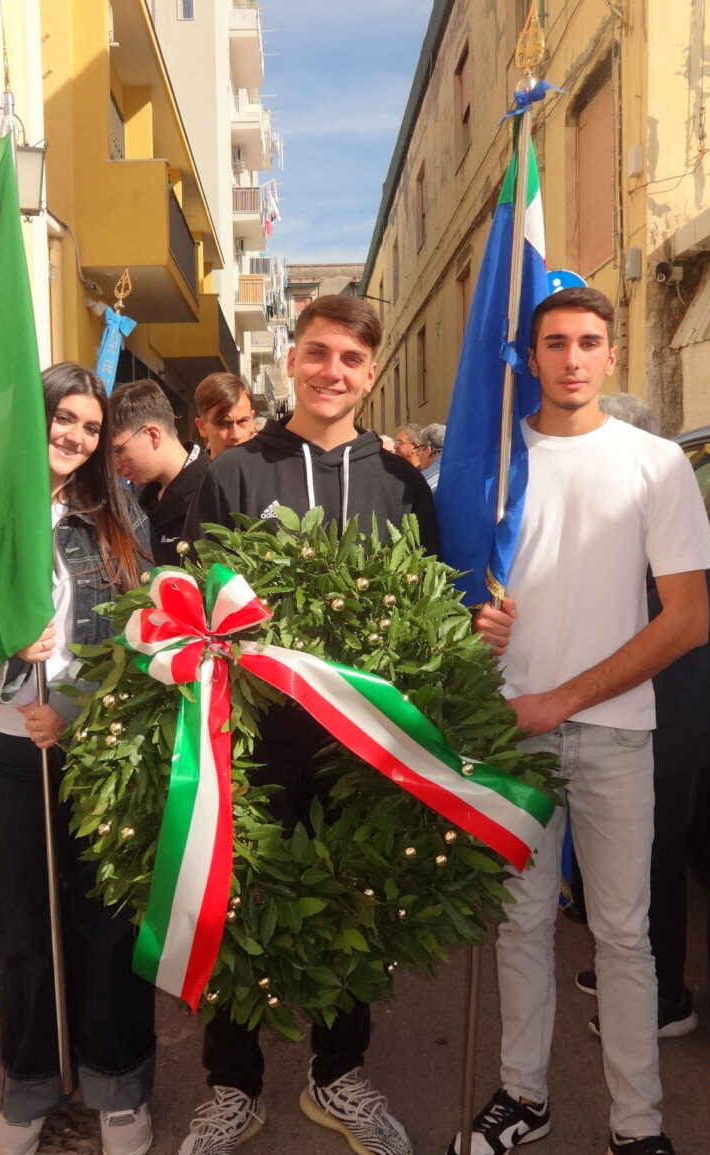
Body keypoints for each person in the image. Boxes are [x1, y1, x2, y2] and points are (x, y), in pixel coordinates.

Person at [452, 287, 710, 1155]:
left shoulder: (656, 463)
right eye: (556, 341)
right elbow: (447, 596)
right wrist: (471, 622)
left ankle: (637, 1126)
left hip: (611, 732)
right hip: (508, 735)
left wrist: (560, 700)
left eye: (589, 341)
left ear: (611, 353)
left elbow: (687, 621)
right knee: (521, 925)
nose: (572, 358)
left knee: (624, 936)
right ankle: (522, 1096)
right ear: (530, 356)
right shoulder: (493, 464)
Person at [177, 295, 437, 1155]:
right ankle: (233, 1085)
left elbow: (428, 611)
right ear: (290, 360)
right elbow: (194, 609)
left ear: (372, 373)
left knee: (354, 901)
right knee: (236, 901)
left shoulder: (402, 484)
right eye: (318, 353)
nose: (333, 372)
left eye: (351, 359)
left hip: (361, 745)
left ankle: (339, 1073)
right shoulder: (233, 473)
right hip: (253, 737)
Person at [0, 362, 156, 1155]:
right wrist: (5, 660)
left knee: (105, 928)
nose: (74, 435)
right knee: (24, 935)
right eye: (62, 417)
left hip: (94, 752)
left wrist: (70, 708)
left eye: (90, 426)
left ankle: (118, 1086)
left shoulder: (114, 513)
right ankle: (30, 1085)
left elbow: (142, 631)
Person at [575, 392, 710, 1042]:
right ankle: (626, 970)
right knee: (626, 862)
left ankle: (665, 997)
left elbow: (669, 625)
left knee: (652, 861)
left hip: (664, 719)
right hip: (645, 712)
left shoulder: (660, 501)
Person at [111, 379, 210, 567]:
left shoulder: (214, 487)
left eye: (119, 451)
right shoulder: (137, 500)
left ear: (153, 435)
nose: (116, 465)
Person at [194, 371, 257, 459]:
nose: (236, 435)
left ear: (252, 421)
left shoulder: (269, 466)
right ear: (202, 427)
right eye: (224, 424)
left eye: (243, 421)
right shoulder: (194, 468)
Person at [416, 422, 444, 491]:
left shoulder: (421, 482)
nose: (418, 455)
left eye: (419, 449)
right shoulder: (460, 471)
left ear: (428, 449)